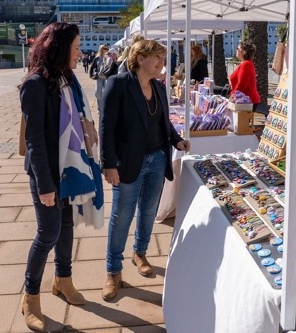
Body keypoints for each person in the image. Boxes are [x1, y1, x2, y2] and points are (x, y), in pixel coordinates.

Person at [19, 22, 104, 332]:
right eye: (76, 47)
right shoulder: (34, 85)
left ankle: (63, 280)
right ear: (59, 48)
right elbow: (35, 141)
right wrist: (45, 185)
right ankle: (30, 297)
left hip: (71, 167)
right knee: (48, 233)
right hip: (48, 171)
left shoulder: (67, 80)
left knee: (66, 226)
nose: (80, 53)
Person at [100, 39, 190, 301]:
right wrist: (109, 164)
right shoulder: (118, 84)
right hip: (128, 162)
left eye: (163, 57)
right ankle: (113, 271)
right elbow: (106, 127)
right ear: (140, 59)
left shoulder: (159, 87)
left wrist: (176, 140)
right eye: (157, 57)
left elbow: (164, 122)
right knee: (122, 216)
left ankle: (139, 253)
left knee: (149, 211)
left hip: (157, 159)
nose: (162, 62)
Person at [229, 41, 261, 110]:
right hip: (243, 100)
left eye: (237, 49)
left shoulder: (246, 65)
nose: (236, 50)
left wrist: (232, 96)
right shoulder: (244, 64)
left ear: (243, 52)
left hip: (246, 101)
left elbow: (241, 84)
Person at [89, 44, 109, 113]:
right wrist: (91, 75)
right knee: (98, 93)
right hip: (99, 77)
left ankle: (105, 106)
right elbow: (92, 67)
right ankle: (99, 107)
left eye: (107, 49)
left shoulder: (108, 57)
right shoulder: (97, 58)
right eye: (105, 48)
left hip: (106, 77)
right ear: (101, 49)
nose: (106, 50)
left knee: (106, 92)